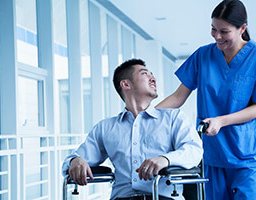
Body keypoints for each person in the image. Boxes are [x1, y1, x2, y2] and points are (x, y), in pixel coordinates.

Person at [156, 0, 256, 199]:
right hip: (213, 153)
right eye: (213, 29)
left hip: (247, 154)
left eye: (225, 31)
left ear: (242, 29)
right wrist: (146, 115)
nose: (217, 36)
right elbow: (178, 97)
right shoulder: (203, 55)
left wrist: (221, 121)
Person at [62, 59, 203, 200]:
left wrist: (165, 159)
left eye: (152, 74)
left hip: (163, 196)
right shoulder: (106, 128)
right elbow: (74, 159)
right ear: (126, 84)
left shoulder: (173, 117)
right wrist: (75, 160)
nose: (152, 78)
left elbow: (194, 151)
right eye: (145, 74)